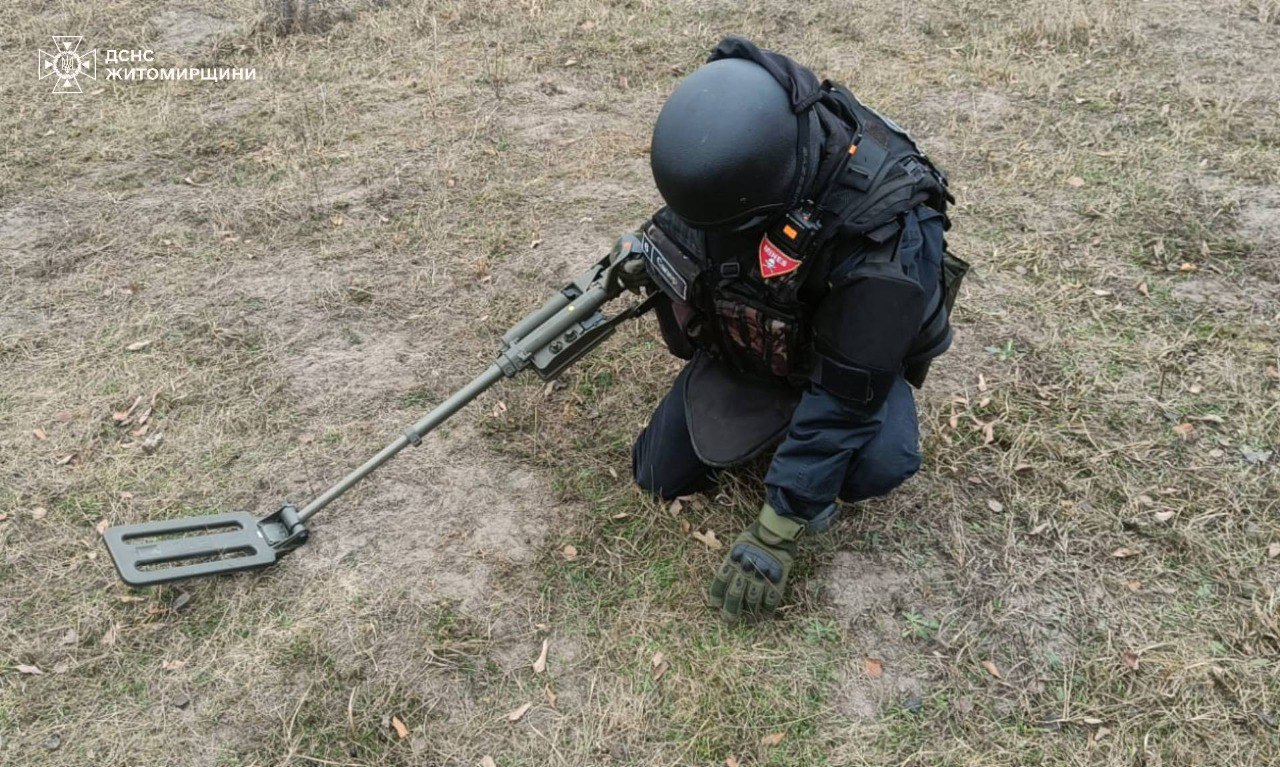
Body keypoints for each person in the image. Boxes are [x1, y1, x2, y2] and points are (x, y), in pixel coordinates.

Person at [618, 36, 967, 621]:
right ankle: (769, 410)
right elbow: (685, 249)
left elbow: (844, 400)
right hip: (756, 339)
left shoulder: (884, 240)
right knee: (657, 473)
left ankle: (809, 458)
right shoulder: (735, 155)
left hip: (847, 357)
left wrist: (776, 528)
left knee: (879, 463)